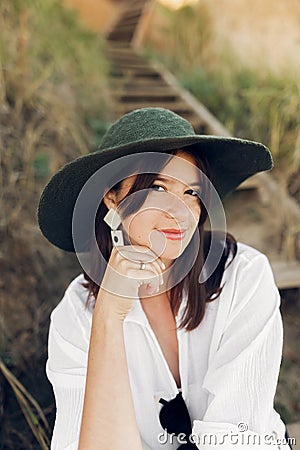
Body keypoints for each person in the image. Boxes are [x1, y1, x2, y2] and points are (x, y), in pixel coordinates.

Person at [38, 107, 292, 449]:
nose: (180, 211)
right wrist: (108, 320)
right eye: (158, 188)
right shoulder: (76, 314)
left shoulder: (242, 276)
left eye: (192, 192)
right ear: (112, 197)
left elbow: (237, 438)